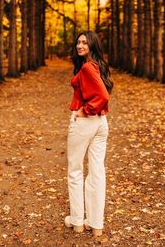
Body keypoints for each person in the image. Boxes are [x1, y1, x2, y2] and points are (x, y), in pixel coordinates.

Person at [64, 30, 113, 237]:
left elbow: (102, 95)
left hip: (86, 123)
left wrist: (84, 110)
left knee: (75, 171)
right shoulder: (98, 65)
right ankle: (96, 225)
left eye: (84, 42)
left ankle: (76, 221)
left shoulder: (86, 68)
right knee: (96, 172)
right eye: (78, 42)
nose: (80, 45)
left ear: (92, 45)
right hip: (101, 124)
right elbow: (104, 91)